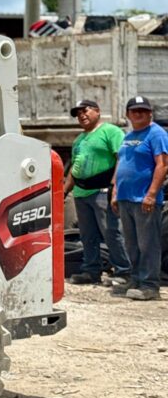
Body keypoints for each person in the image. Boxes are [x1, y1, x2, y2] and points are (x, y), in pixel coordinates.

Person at [65, 99, 130, 286]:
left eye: (85, 110)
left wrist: (114, 187)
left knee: (111, 231)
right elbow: (75, 168)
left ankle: (124, 272)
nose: (82, 115)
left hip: (102, 191)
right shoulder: (79, 140)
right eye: (78, 114)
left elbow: (122, 159)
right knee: (87, 235)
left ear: (98, 112)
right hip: (81, 193)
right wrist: (64, 191)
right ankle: (91, 271)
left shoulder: (111, 132)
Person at [111, 95, 168, 301]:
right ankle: (135, 279)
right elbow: (121, 164)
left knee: (148, 244)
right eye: (134, 111)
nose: (139, 114)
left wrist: (151, 194)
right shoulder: (128, 136)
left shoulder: (156, 134)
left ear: (150, 113)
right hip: (126, 198)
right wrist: (115, 192)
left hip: (144, 199)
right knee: (132, 244)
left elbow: (162, 165)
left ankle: (150, 285)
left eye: (143, 110)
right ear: (127, 114)